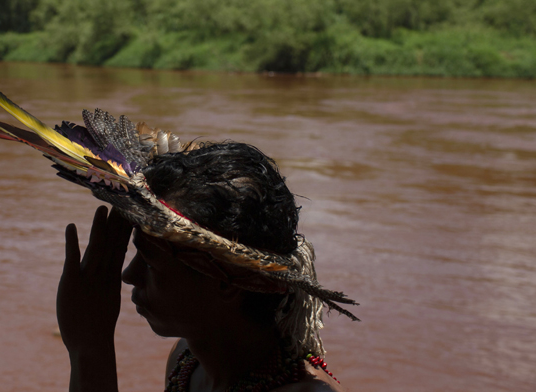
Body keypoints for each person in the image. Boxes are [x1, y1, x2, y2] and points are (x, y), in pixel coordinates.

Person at [57, 142, 351, 392]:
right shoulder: (188, 360)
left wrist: (90, 350)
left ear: (224, 282)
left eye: (149, 262)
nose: (129, 275)